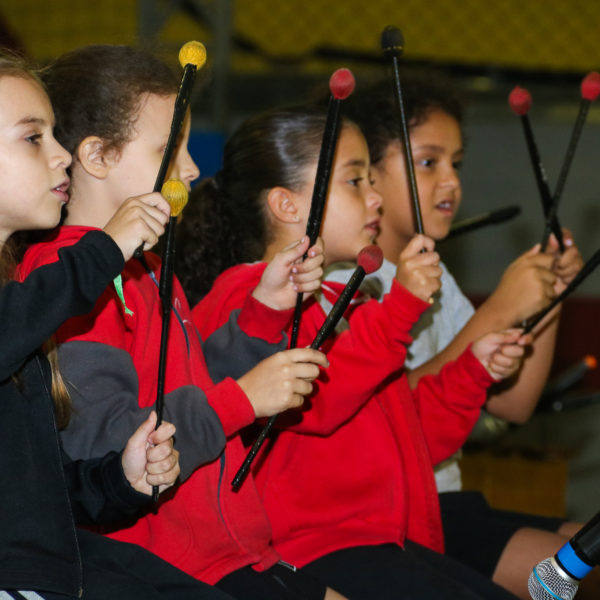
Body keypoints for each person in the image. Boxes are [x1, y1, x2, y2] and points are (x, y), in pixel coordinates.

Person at [17, 45, 341, 600]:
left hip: (228, 550)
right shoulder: (66, 279)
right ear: (97, 157)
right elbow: (111, 439)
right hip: (165, 564)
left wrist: (264, 308)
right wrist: (241, 399)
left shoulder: (141, 264)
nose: (191, 168)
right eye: (171, 148)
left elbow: (189, 388)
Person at [182, 104, 530, 599]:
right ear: (286, 205)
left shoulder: (334, 305)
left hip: (381, 542)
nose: (375, 199)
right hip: (315, 553)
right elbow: (316, 403)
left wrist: (472, 372)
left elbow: (411, 439)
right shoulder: (249, 299)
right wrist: (400, 308)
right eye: (355, 181)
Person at [326, 72, 593, 599]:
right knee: (566, 582)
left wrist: (547, 300)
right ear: (368, 176)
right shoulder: (344, 279)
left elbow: (512, 406)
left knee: (582, 560)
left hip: (440, 499)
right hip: (386, 514)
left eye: (457, 163)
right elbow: (391, 417)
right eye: (429, 162)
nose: (451, 182)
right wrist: (498, 309)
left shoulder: (437, 275)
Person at [0, 50, 233, 600]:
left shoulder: (22, 301)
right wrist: (105, 249)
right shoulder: (39, 298)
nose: (62, 156)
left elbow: (44, 497)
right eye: (33, 138)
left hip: (54, 567)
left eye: (56, 135)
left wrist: (120, 480)